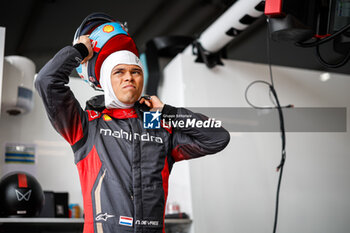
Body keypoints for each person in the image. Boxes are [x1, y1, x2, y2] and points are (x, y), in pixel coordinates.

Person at [35, 31, 230, 233]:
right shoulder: (87, 125)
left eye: (135, 71)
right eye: (119, 71)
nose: (129, 76)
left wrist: (167, 112)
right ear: (107, 81)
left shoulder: (159, 127)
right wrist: (80, 50)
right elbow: (47, 81)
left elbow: (217, 137)